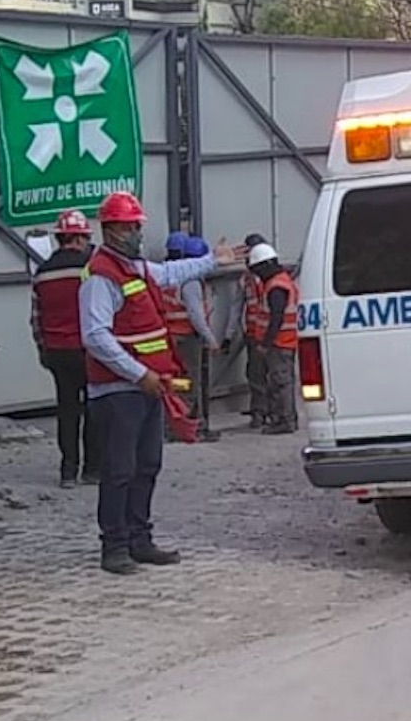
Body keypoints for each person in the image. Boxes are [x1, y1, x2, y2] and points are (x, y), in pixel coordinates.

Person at [81, 191, 237, 576]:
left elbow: (169, 274)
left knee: (147, 465)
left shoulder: (135, 268)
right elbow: (95, 337)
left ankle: (139, 538)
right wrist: (139, 373)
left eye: (138, 226)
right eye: (131, 227)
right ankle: (115, 546)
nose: (137, 233)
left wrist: (211, 261)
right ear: (112, 231)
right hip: (119, 391)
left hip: (147, 387)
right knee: (119, 470)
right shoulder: (101, 277)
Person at [32, 209, 99, 488]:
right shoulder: (91, 268)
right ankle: (93, 470)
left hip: (57, 351)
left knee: (67, 411)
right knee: (94, 409)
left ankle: (68, 471)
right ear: (80, 238)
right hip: (89, 350)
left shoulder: (42, 273)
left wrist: (43, 349)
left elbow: (36, 318)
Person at [156, 231, 225, 441]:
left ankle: (182, 426)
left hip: (172, 338)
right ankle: (186, 428)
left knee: (178, 383)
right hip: (186, 339)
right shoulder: (190, 281)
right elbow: (196, 315)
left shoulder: (168, 277)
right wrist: (211, 339)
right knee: (189, 384)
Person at [237, 242, 300, 433]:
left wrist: (265, 343)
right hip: (283, 341)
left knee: (280, 382)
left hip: (279, 342)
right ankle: (284, 418)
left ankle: (285, 421)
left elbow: (276, 317)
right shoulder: (280, 281)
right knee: (280, 381)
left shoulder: (276, 286)